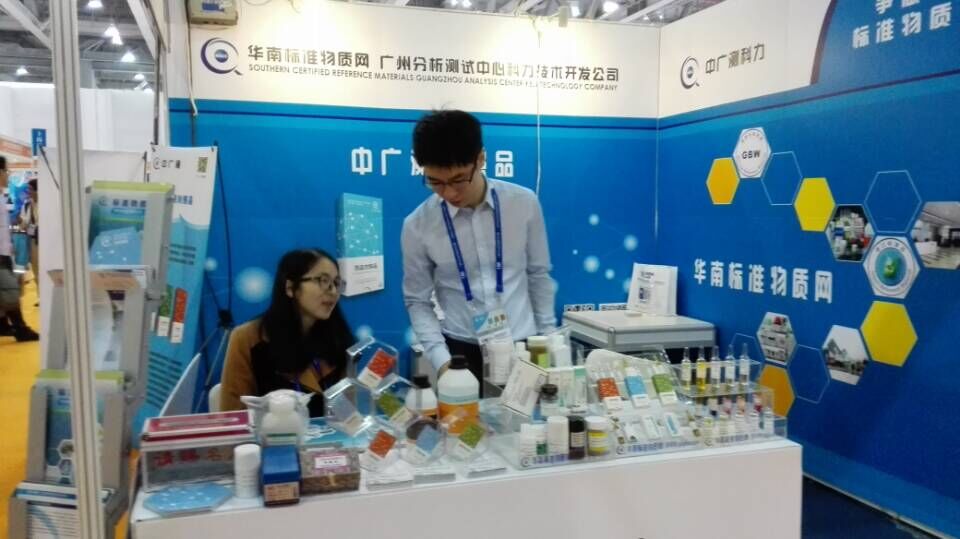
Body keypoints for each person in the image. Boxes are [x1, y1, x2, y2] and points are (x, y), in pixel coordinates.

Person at [402, 110, 557, 386]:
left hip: (524, 344)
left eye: (459, 179)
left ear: (481, 159)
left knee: (531, 414)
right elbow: (417, 301)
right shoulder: (417, 225)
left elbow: (538, 274)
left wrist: (547, 340)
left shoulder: (524, 204)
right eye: (435, 182)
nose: (449, 193)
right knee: (466, 416)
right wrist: (442, 361)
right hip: (461, 352)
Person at [219, 249, 355, 417]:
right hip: (268, 433)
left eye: (336, 283)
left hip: (328, 433)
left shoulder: (339, 338)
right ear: (290, 287)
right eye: (323, 281)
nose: (333, 291)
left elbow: (348, 417)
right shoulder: (247, 338)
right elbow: (233, 416)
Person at [0, 156, 39, 341]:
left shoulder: (3, 198)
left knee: (8, 289)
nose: (8, 176)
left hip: (6, 251)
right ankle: (20, 328)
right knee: (10, 291)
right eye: (6, 171)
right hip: (2, 253)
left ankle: (4, 324)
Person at [19, 178, 39, 285]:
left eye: (30, 189)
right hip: (33, 241)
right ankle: (39, 292)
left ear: (37, 190)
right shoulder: (27, 205)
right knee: (35, 267)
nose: (28, 192)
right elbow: (23, 223)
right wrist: (21, 224)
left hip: (45, 240)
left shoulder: (46, 204)